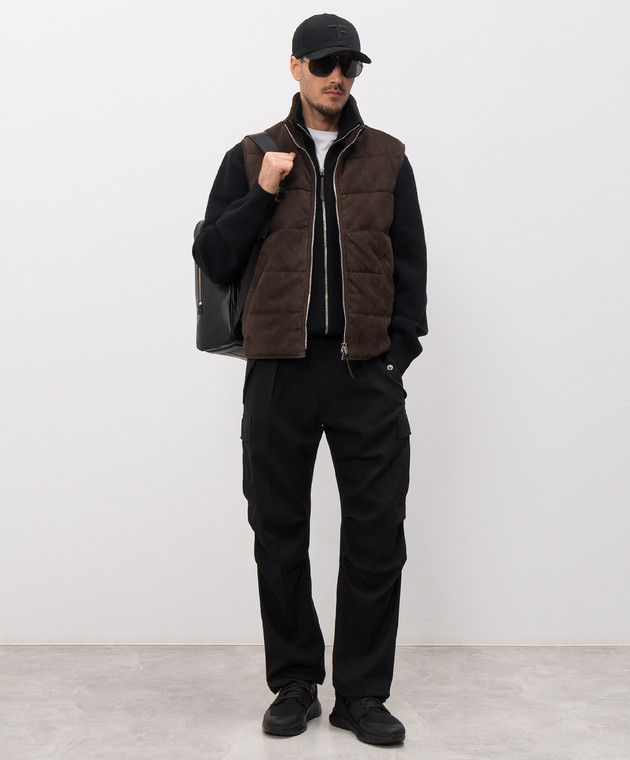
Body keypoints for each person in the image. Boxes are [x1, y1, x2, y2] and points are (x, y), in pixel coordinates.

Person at [193, 13, 428, 747]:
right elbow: (212, 255)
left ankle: (361, 693)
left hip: (365, 373)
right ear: (294, 67)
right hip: (279, 372)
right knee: (278, 531)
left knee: (377, 535)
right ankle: (295, 682)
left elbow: (412, 265)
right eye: (323, 63)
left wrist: (396, 355)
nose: (336, 77)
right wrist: (262, 191)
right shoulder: (250, 155)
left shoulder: (388, 157)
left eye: (348, 65)